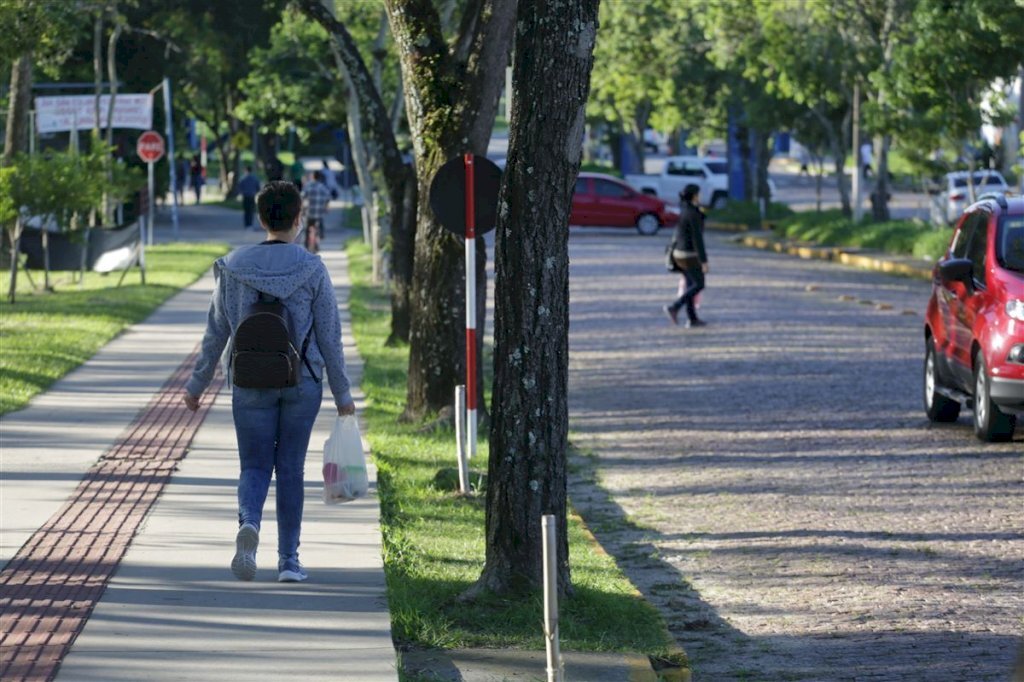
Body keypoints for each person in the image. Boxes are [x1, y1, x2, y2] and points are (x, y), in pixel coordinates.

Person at [182, 180, 356, 583]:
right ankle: (289, 561)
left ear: (261, 218)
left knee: (255, 465)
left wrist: (197, 384)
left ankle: (250, 524)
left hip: (249, 380)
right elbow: (330, 335)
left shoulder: (232, 266)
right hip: (303, 382)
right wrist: (343, 393)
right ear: (299, 218)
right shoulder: (312, 268)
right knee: (291, 469)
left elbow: (216, 331)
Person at [663, 183, 709, 329]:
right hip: (688, 254)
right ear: (695, 196)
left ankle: (692, 318)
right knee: (699, 284)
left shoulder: (685, 210)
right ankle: (674, 307)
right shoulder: (693, 213)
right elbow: (697, 239)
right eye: (698, 194)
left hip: (678, 253)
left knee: (690, 284)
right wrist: (704, 261)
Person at [301, 170, 332, 251]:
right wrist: (326, 207)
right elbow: (328, 197)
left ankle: (306, 244)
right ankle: (321, 235)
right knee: (320, 223)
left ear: (312, 177)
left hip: (310, 213)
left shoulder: (308, 186)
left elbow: (302, 197)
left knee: (307, 228)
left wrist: (302, 208)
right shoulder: (322, 187)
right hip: (319, 213)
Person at [237, 166, 261, 230]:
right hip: (252, 196)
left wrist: (241, 193)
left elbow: (239, 187)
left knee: (246, 211)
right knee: (251, 211)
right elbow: (258, 187)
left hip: (245, 196)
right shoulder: (255, 178)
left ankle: (246, 224)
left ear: (246, 171)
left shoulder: (243, 178)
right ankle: (250, 224)